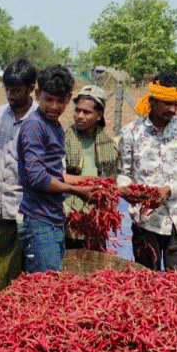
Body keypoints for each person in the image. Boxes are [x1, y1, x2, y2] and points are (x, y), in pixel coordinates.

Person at [118, 72, 177, 271]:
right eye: (167, 103)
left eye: (176, 104)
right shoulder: (131, 132)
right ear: (152, 101)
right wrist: (127, 191)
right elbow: (124, 173)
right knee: (147, 280)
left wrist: (169, 190)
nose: (172, 109)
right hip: (146, 220)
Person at [16, 65, 93, 273]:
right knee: (45, 288)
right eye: (48, 99)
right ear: (38, 94)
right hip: (38, 220)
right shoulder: (35, 126)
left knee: (51, 284)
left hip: (53, 219)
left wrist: (89, 182)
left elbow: (55, 173)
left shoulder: (56, 127)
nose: (54, 106)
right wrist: (77, 191)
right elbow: (39, 178)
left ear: (69, 98)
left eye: (60, 101)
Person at [0, 58, 36, 299]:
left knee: (20, 278)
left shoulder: (40, 119)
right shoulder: (0, 114)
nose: (11, 95)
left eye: (16, 90)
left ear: (31, 88)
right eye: (8, 89)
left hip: (25, 210)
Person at [62, 85, 120, 250]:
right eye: (77, 110)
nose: (79, 116)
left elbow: (112, 184)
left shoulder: (110, 145)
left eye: (86, 112)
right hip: (68, 218)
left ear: (99, 115)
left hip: (96, 220)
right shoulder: (62, 140)